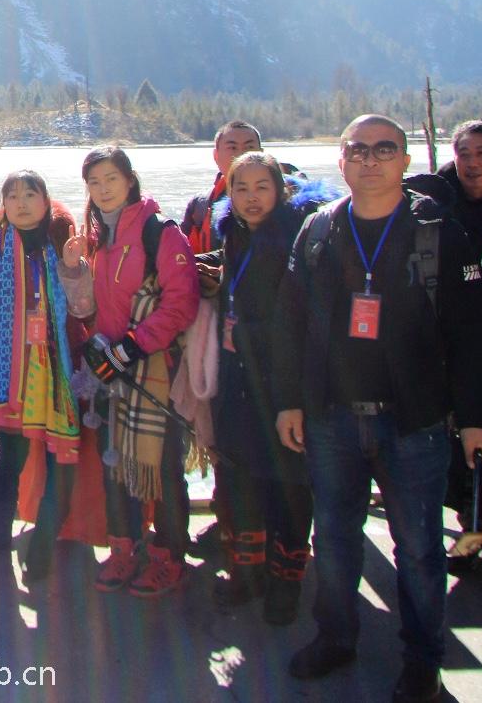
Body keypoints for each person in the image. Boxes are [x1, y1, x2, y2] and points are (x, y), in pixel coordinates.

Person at [275, 114, 482, 703]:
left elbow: (475, 333)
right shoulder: (317, 231)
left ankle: (424, 659)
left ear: (405, 160)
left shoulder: (439, 234)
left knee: (420, 549)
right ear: (341, 160)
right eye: (357, 149)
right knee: (335, 537)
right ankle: (336, 637)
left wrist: (478, 417)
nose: (370, 160)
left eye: (384, 149)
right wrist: (289, 402)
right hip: (331, 418)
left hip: (415, 421)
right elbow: (290, 326)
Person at [197, 152, 337, 623]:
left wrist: (247, 335)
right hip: (239, 379)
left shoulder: (295, 239)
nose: (251, 197)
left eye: (262, 187)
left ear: (280, 190)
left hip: (284, 382)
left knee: (288, 485)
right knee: (242, 478)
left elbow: (301, 318)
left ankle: (285, 579)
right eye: (241, 188)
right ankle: (248, 572)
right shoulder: (235, 235)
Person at [70, 145, 201, 599]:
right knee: (116, 465)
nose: (103, 189)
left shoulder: (159, 232)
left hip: (154, 371)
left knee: (162, 469)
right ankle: (123, 549)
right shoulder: (96, 238)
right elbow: (94, 306)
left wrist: (131, 347)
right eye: (94, 182)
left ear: (129, 180)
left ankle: (168, 557)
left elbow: (180, 303)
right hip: (112, 370)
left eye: (111, 178)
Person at [0, 170, 86, 581]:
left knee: (59, 463)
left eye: (30, 195)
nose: (21, 203)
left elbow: (84, 308)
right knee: (8, 459)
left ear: (46, 202)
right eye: (12, 196)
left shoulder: (61, 246)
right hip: (7, 373)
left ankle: (43, 543)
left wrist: (74, 269)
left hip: (56, 370)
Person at [406, 121, 482, 570]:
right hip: (453, 336)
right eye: (464, 154)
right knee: (459, 442)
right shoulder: (435, 202)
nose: (472, 163)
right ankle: (473, 534)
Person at [181, 121, 262, 254]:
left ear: (262, 154)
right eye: (232, 148)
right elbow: (183, 255)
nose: (241, 156)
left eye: (249, 147)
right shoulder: (199, 206)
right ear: (216, 156)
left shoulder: (281, 198)